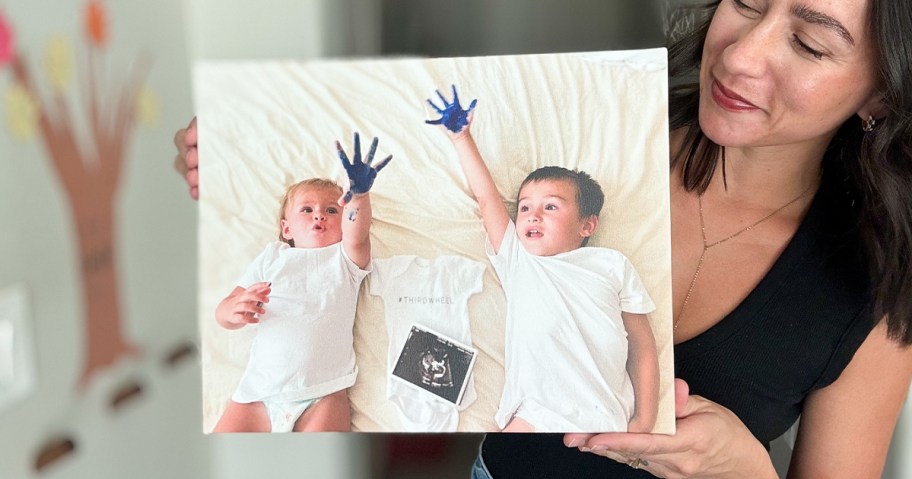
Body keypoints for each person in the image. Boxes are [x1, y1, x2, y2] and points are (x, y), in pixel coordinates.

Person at [174, 0, 912, 474]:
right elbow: (432, 189)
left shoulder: (874, 287)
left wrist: (746, 471)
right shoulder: (609, 119)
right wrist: (232, 152)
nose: (743, 56)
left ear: (882, 90)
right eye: (745, 1)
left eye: (810, 45)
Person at [425, 86, 660, 434]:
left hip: (606, 417)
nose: (532, 216)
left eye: (550, 206)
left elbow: (642, 344)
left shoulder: (612, 264)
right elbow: (488, 198)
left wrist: (645, 419)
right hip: (536, 414)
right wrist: (462, 139)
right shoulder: (518, 258)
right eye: (524, 208)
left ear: (587, 224)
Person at [211, 133, 391, 432]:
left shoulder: (345, 257)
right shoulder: (273, 256)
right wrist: (232, 311)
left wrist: (358, 196)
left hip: (322, 393)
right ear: (286, 228)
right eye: (306, 210)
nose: (319, 215)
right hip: (258, 394)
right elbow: (224, 311)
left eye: (332, 210)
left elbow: (358, 232)